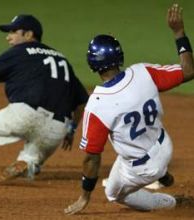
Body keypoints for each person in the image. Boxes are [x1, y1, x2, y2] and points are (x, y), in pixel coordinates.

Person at [64, 4, 194, 214]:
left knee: (113, 193)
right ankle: (162, 174)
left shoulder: (97, 105)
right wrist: (179, 32)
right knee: (129, 151)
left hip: (142, 168)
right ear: (119, 56)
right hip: (165, 146)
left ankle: (170, 203)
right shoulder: (144, 72)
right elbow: (188, 71)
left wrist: (84, 197)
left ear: (92, 63)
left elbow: (92, 158)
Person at [0, 14, 89, 183]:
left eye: (13, 32)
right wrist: (71, 130)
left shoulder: (17, 53)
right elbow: (81, 102)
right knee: (32, 158)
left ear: (28, 34)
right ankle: (28, 165)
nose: (8, 37)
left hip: (24, 114)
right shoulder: (61, 59)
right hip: (58, 127)